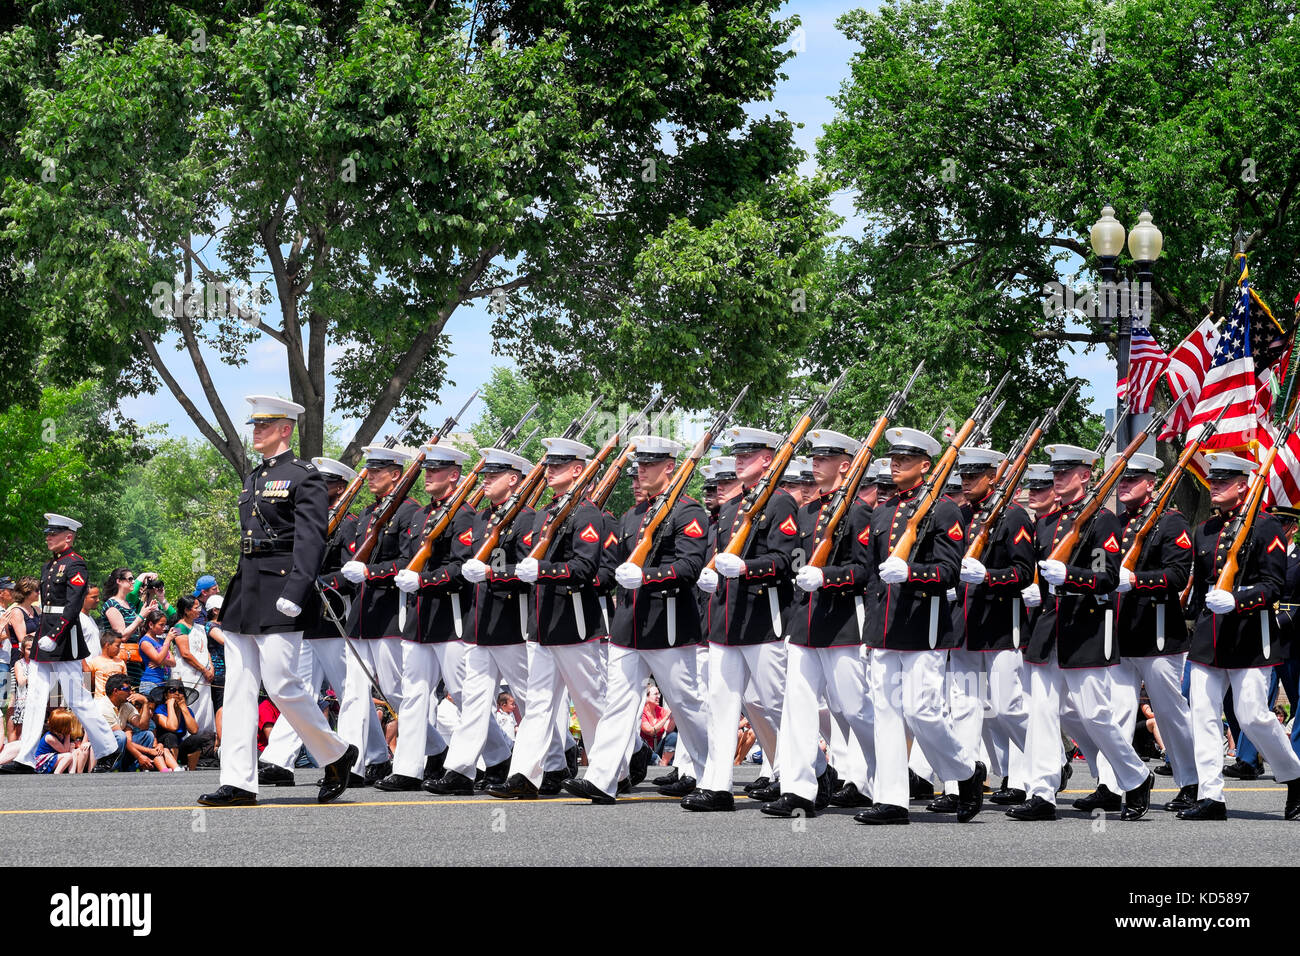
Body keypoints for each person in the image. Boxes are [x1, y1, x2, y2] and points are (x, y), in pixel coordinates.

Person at [197, 395, 357, 807]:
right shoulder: (253, 477)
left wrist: (296, 590)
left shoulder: (305, 477)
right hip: (247, 591)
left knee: (282, 683)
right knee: (237, 688)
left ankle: (335, 753)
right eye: (254, 425)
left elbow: (311, 540)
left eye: (265, 426)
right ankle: (238, 781)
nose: (256, 432)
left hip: (282, 589)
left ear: (285, 430)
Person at [564, 434, 711, 805]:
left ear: (670, 468)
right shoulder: (631, 516)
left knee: (686, 704)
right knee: (618, 702)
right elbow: (613, 565)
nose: (641, 472)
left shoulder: (688, 511)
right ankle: (602, 778)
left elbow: (691, 565)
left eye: (648, 465)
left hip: (669, 624)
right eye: (639, 466)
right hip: (628, 624)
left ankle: (713, 773)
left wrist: (647, 576)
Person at [1010, 444, 1154, 822]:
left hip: (1084, 629)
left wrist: (1071, 577)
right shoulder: (1044, 523)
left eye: (1066, 471)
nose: (1057, 477)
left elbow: (1106, 577)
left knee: (1094, 714)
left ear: (1086, 476)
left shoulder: (1101, 522)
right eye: (1055, 471)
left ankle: (1136, 774)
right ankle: (1041, 792)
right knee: (1040, 713)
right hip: (1047, 629)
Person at [852, 427, 985, 825]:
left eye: (905, 460)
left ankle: (966, 771)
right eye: (893, 459)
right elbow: (874, 577)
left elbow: (948, 572)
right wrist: (869, 630)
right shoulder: (882, 511)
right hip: (885, 627)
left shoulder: (945, 510)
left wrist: (911, 572)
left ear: (925, 466)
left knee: (922, 710)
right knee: (887, 713)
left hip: (924, 628)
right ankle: (892, 799)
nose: (895, 466)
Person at [430, 448, 569, 796]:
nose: (485, 480)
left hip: (513, 624)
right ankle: (460, 770)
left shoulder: (528, 519)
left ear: (514, 479)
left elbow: (528, 572)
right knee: (474, 699)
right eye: (484, 475)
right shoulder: (483, 520)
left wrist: (494, 574)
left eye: (494, 475)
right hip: (481, 623)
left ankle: (554, 764)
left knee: (530, 700)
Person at [487, 436, 612, 800]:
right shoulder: (545, 514)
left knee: (590, 701)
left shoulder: (586, 513)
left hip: (573, 622)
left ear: (577, 470)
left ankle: (609, 771)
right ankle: (524, 775)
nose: (549, 471)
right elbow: (524, 563)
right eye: (548, 465)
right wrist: (508, 570)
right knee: (538, 703)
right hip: (542, 623)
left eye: (557, 466)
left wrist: (541, 571)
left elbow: (584, 568)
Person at [683, 426, 800, 813]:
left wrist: (746, 568)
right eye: (737, 454)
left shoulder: (781, 503)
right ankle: (717, 785)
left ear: (767, 459)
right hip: (725, 622)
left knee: (776, 703)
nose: (738, 460)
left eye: (747, 454)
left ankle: (808, 773)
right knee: (721, 704)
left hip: (762, 621)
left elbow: (786, 562)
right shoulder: (733, 508)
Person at [1178, 452, 1300, 821]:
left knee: (1253, 716)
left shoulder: (1266, 528)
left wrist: (1237, 600)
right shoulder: (1206, 530)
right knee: (1202, 714)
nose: (1214, 486)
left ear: (1244, 485)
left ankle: (1295, 774)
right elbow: (1200, 586)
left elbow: (1274, 586)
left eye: (1222, 482)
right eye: (1213, 481)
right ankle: (1210, 796)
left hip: (1249, 638)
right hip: (1209, 640)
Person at [259, 456, 390, 786]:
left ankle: (359, 758)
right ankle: (279, 759)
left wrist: (316, 581)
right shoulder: (305, 520)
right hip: (304, 617)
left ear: (340, 488)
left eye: (324, 483)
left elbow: (349, 573)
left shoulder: (350, 525)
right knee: (298, 688)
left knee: (350, 693)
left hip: (334, 618)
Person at [766, 429, 876, 818]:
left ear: (845, 466)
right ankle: (799, 791)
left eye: (825, 458)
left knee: (853, 707)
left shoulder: (860, 511)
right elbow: (796, 560)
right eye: (815, 457)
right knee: (797, 708)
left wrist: (826, 578)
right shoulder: (807, 512)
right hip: (804, 622)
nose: (816, 463)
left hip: (841, 622)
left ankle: (878, 775)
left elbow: (864, 571)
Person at [1098, 452, 1198, 813]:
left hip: (1157, 635)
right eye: (1121, 480)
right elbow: (1100, 566)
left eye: (1132, 480)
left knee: (1170, 714)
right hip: (1120, 635)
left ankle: (1190, 782)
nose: (1124, 486)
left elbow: (1176, 576)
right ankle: (1114, 783)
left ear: (1151, 484)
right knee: (1116, 713)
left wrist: (1136, 580)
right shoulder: (1114, 524)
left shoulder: (1171, 523)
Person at [385, 442, 483, 791]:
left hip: (451, 616)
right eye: (426, 470)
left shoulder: (466, 515)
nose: (428, 475)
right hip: (419, 618)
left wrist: (423, 580)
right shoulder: (420, 516)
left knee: (463, 694)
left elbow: (461, 568)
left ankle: (494, 759)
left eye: (436, 471)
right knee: (413, 694)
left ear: (454, 476)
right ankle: (408, 769)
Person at [330, 443, 422, 787]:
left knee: (398, 692)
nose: (369, 477)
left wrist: (371, 573)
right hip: (361, 615)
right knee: (354, 693)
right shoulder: (369, 514)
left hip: (390, 613)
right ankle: (351, 766)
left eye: (377, 471)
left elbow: (409, 562)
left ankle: (438, 747)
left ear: (396, 475)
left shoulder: (413, 513)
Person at [949, 446, 1035, 807]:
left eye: (974, 476)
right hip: (966, 624)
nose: (966, 482)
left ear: (993, 477)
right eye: (964, 476)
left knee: (1006, 705)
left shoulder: (1014, 517)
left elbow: (1023, 573)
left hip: (1002, 625)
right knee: (965, 707)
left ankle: (1048, 759)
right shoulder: (960, 516)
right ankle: (962, 784)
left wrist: (988, 576)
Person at [0, 515, 120, 774]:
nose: (48, 537)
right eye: (48, 533)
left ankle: (108, 747)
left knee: (76, 698)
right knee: (35, 697)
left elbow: (74, 604)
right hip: (46, 634)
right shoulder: (48, 566)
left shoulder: (76, 564)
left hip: (63, 638)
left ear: (68, 536)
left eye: (53, 533)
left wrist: (54, 636)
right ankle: (26, 758)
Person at [98, 674, 174, 772]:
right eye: (127, 689)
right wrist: (141, 755)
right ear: (115, 691)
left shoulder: (125, 705)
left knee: (148, 735)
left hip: (120, 745)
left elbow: (143, 726)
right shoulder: (103, 707)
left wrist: (145, 703)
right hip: (104, 747)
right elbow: (120, 738)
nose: (131, 692)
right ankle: (112, 768)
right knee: (121, 735)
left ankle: (131, 770)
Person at [171, 595, 216, 732]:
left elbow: (205, 650)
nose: (199, 610)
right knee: (191, 705)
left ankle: (206, 738)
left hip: (205, 674)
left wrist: (211, 668)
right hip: (189, 674)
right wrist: (203, 669)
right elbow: (185, 653)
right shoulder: (178, 627)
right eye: (196, 607)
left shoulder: (200, 627)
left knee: (206, 707)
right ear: (186, 610)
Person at [137, 609, 174, 697]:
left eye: (165, 625)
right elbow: (158, 660)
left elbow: (173, 662)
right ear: (151, 624)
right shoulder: (145, 641)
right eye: (161, 625)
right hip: (151, 683)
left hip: (164, 683)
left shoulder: (161, 641)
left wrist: (161, 661)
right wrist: (167, 641)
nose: (164, 628)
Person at [83, 631, 128, 697]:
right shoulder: (94, 662)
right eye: (117, 646)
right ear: (107, 645)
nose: (119, 649)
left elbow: (125, 682)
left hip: (118, 700)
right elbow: (88, 684)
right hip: (101, 700)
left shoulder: (121, 662)